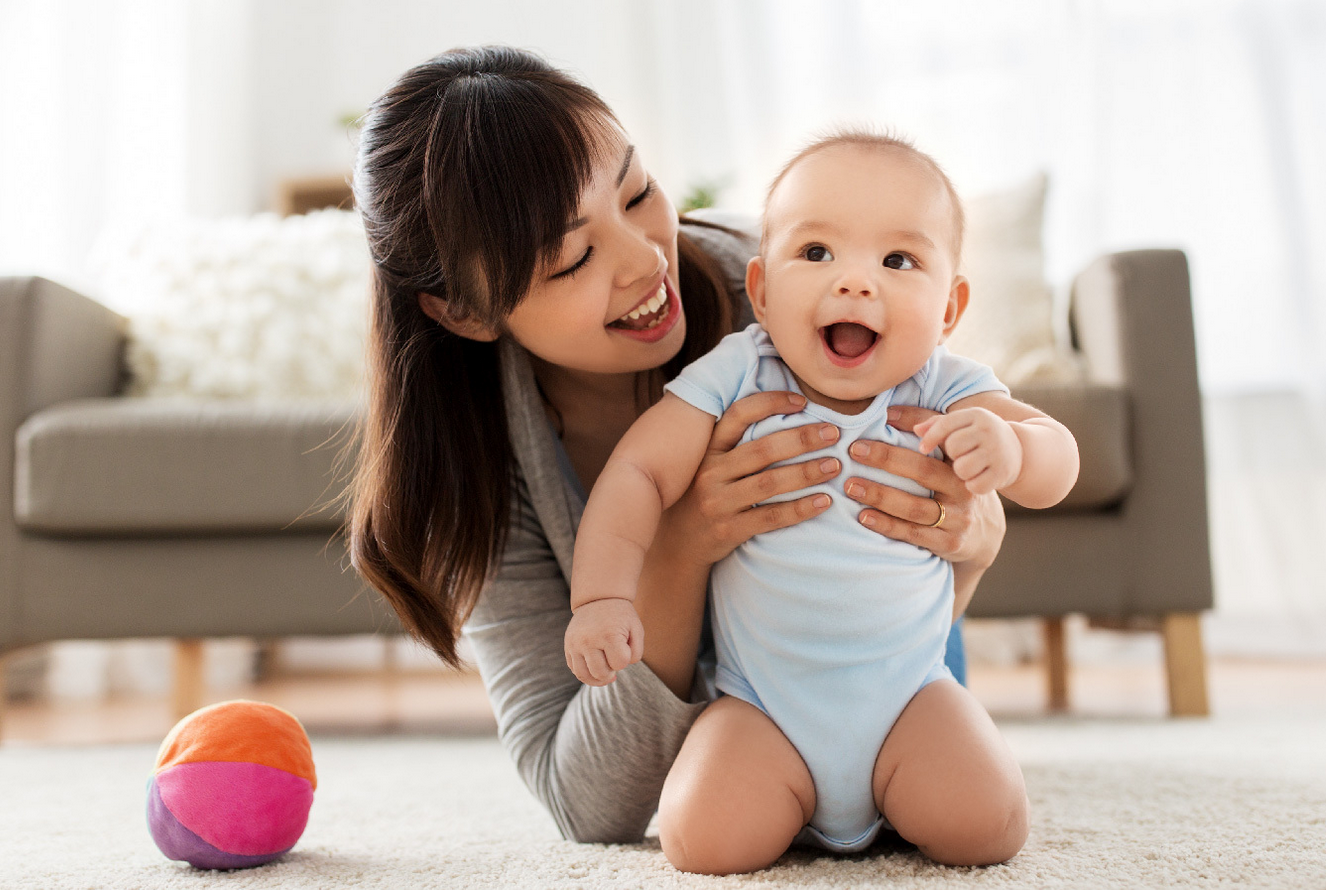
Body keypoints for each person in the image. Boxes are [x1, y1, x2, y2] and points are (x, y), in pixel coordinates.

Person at [345, 45, 1009, 857]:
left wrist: (973, 544)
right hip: (744, 747)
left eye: (638, 192)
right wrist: (678, 549)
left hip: (899, 681)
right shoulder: (476, 468)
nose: (645, 259)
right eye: (574, 257)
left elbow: (927, 540)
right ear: (463, 312)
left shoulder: (793, 302)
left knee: (967, 808)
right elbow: (585, 801)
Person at [564, 131, 1078, 872]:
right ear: (763, 293)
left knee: (988, 827)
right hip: (762, 708)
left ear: (950, 307)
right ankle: (793, 798)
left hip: (910, 697)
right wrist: (602, 598)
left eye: (899, 261)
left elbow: (1057, 458)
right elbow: (638, 474)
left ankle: (896, 791)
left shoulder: (944, 384)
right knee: (701, 841)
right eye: (816, 254)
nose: (856, 283)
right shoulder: (739, 371)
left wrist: (1016, 448)